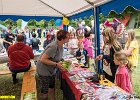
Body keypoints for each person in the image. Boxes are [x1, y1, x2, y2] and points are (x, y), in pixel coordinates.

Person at [36, 30, 70, 100]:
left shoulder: (60, 45)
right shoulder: (53, 46)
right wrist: (56, 64)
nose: (69, 38)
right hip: (44, 70)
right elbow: (43, 59)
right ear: (63, 39)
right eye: (68, 37)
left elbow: (57, 57)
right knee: (45, 90)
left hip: (51, 70)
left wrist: (63, 61)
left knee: (51, 86)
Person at [124, 29, 139, 94]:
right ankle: (131, 91)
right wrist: (126, 52)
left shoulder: (133, 42)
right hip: (127, 61)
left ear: (131, 35)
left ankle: (132, 92)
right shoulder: (128, 42)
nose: (125, 36)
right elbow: (125, 51)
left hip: (132, 62)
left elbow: (127, 53)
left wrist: (126, 52)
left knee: (128, 77)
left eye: (126, 34)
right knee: (129, 77)